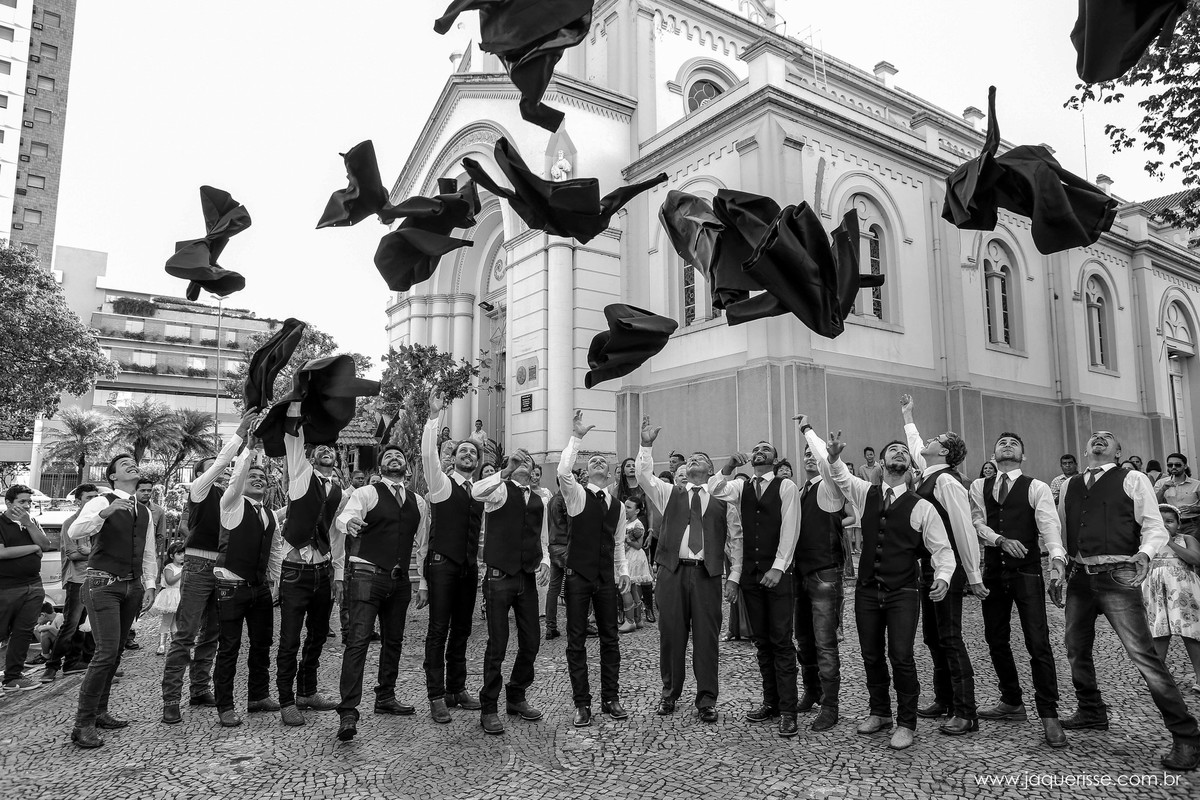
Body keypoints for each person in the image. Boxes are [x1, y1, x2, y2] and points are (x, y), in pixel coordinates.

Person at [1052, 430, 1200, 771]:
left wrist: (1145, 555)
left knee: (1143, 655)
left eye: (1107, 437)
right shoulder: (1070, 484)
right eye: (1093, 437)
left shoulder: (1131, 478)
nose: (1098, 439)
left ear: (1118, 451)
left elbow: (1153, 525)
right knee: (1075, 647)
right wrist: (1058, 566)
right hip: (1079, 576)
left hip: (1119, 574)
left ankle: (1187, 736)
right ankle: (1091, 710)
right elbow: (1061, 531)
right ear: (1086, 448)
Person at [803, 420, 955, 751]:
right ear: (883, 463)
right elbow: (841, 475)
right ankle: (880, 712)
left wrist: (943, 578)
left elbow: (943, 551)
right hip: (868, 591)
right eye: (893, 450)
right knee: (871, 654)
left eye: (904, 450)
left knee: (901, 656)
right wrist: (829, 453)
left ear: (909, 465)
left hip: (903, 591)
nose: (899, 452)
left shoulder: (922, 506)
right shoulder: (865, 492)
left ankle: (906, 722)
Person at [636, 416, 742, 723]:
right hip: (672, 572)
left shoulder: (724, 499)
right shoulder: (670, 493)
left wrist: (734, 576)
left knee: (707, 639)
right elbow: (644, 476)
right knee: (671, 635)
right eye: (691, 458)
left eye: (702, 459)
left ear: (710, 470)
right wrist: (646, 444)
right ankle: (669, 693)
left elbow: (737, 540)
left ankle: (707, 699)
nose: (695, 459)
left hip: (707, 574)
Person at [969, 432, 1068, 748]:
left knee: (1037, 641)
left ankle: (1049, 716)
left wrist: (1056, 560)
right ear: (993, 453)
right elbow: (976, 523)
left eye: (1013, 443)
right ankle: (1011, 700)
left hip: (1026, 572)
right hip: (994, 572)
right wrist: (998, 539)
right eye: (1001, 443)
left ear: (1023, 456)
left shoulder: (1036, 487)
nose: (1006, 445)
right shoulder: (979, 487)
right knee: (995, 639)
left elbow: (1049, 526)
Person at [162, 408, 257, 724]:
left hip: (223, 569)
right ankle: (171, 699)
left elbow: (240, 470)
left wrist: (250, 447)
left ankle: (200, 688)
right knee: (186, 633)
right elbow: (221, 463)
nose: (222, 471)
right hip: (198, 565)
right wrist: (240, 435)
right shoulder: (199, 491)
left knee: (213, 634)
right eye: (215, 469)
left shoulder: (230, 497)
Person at [900, 394, 984, 737]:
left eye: (937, 439)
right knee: (934, 638)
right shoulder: (928, 474)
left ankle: (966, 712)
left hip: (947, 571)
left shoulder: (947, 480)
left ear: (945, 452)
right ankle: (945, 699)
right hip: (929, 568)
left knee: (950, 638)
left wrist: (973, 576)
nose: (928, 441)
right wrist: (908, 415)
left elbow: (964, 528)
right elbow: (917, 443)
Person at [333, 440, 428, 740]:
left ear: (407, 467)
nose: (394, 459)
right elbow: (344, 516)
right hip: (366, 575)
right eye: (389, 456)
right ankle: (348, 712)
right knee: (358, 641)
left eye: (399, 455)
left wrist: (423, 582)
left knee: (394, 641)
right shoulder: (367, 492)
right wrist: (349, 523)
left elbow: (423, 545)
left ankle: (385, 696)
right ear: (381, 466)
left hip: (399, 581)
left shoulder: (419, 502)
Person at [709, 440, 801, 737]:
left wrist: (779, 566)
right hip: (751, 576)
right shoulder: (741, 486)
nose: (760, 450)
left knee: (782, 642)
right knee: (762, 641)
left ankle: (788, 710)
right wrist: (729, 466)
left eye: (767, 448)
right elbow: (715, 489)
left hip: (777, 574)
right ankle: (770, 702)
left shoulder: (785, 487)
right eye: (757, 448)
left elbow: (791, 528)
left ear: (774, 459)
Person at [67, 455, 158, 748]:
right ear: (113, 477)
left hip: (131, 586)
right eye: (124, 464)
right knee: (105, 652)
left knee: (116, 651)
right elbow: (74, 531)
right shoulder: (101, 501)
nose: (132, 464)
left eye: (134, 462)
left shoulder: (144, 510)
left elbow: (148, 552)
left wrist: (151, 585)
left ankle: (100, 711)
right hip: (102, 584)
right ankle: (82, 723)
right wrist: (104, 514)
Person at [556, 411, 631, 727]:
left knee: (610, 638)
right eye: (593, 460)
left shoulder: (619, 507)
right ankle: (582, 704)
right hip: (576, 577)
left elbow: (617, 544)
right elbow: (562, 471)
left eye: (603, 461)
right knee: (576, 641)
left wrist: (623, 572)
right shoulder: (575, 495)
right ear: (585, 472)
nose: (598, 461)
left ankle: (610, 698)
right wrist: (577, 438)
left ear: (612, 475)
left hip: (605, 578)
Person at [471, 447, 551, 735]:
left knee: (531, 641)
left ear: (534, 472)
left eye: (528, 463)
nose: (524, 464)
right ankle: (489, 707)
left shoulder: (540, 499)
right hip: (498, 577)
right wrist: (504, 470)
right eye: (520, 461)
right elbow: (475, 492)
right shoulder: (499, 491)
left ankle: (516, 695)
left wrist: (545, 561)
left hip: (526, 578)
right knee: (498, 645)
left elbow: (543, 537)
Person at [417, 391, 485, 724]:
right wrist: (434, 416)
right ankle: (435, 695)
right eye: (463, 451)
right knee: (438, 630)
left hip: (469, 568)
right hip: (443, 566)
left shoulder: (481, 491)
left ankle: (456, 689)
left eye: (473, 451)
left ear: (478, 460)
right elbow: (428, 453)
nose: (468, 454)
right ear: (454, 459)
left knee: (462, 630)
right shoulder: (441, 485)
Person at [276, 403, 342, 726]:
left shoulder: (340, 490)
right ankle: (286, 700)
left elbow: (338, 530)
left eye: (331, 449)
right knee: (289, 638)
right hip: (295, 571)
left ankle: (307, 691)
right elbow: (293, 443)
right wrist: (301, 402)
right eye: (321, 449)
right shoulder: (301, 477)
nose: (327, 451)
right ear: (312, 456)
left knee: (317, 636)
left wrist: (337, 570)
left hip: (322, 571)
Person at [213, 439, 283, 728]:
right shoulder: (230, 504)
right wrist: (249, 451)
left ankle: (258, 695)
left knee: (262, 643)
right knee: (229, 647)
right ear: (241, 483)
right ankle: (225, 706)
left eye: (262, 478)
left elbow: (275, 549)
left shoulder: (268, 515)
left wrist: (274, 581)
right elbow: (239, 475)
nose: (258, 480)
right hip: (231, 587)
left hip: (259, 588)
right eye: (252, 477)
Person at [790, 432, 850, 733]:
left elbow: (848, 513)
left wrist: (809, 433)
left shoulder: (830, 486)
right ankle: (811, 691)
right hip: (799, 571)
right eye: (806, 454)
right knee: (803, 639)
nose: (809, 458)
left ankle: (830, 705)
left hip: (825, 571)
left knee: (825, 642)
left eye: (813, 454)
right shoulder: (800, 491)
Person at [39, 483, 100, 683]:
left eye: (95, 497)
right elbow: (73, 554)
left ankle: (77, 662)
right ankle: (51, 666)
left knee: (89, 625)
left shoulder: (99, 522)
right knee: (71, 624)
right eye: (88, 497)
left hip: (97, 578)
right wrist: (95, 554)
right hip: (77, 579)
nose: (93, 501)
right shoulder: (71, 523)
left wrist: (88, 552)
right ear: (78, 501)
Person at [1, 484, 54, 692]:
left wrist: (29, 525)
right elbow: (2, 553)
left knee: (23, 632)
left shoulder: (31, 522)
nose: (26, 506)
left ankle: (13, 677)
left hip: (33, 585)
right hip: (6, 586)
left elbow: (46, 545)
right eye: (21, 502)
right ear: (8, 502)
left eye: (29, 502)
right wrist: (33, 548)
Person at [1144, 503, 1200, 698]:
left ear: (1178, 524)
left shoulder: (1186, 539)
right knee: (1159, 633)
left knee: (1190, 633)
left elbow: (1195, 559)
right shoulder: (1148, 542)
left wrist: (1170, 542)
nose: (1165, 525)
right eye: (1161, 522)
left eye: (1170, 521)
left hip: (1183, 591)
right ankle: (1158, 679)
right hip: (1156, 591)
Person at [544, 477, 569, 640]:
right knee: (575, 586)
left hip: (553, 546)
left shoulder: (552, 499)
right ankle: (578, 623)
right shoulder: (565, 500)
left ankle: (550, 626)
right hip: (566, 545)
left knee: (554, 588)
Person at [624, 496, 653, 626]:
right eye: (625, 506)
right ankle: (637, 619)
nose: (625, 509)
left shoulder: (638, 525)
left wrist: (627, 540)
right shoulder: (625, 522)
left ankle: (631, 619)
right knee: (633, 588)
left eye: (629, 507)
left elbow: (639, 545)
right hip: (627, 555)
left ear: (637, 511)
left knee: (628, 588)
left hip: (633, 557)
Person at [1156, 454, 1200, 537]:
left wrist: (1193, 509)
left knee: (1193, 548)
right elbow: (1154, 504)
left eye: (1177, 465)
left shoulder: (1196, 484)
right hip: (1169, 524)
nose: (1173, 467)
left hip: (1192, 523)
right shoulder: (1161, 483)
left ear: (1185, 466)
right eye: (1170, 465)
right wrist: (1163, 489)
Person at [153, 544, 185, 654]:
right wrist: (182, 573)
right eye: (179, 554)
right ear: (172, 555)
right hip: (170, 595)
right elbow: (170, 580)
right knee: (167, 621)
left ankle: (174, 643)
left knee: (176, 622)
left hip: (179, 595)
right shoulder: (169, 567)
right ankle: (161, 645)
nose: (182, 556)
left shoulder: (183, 567)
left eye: (183, 553)